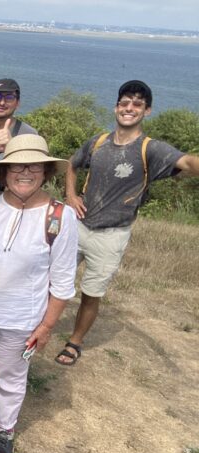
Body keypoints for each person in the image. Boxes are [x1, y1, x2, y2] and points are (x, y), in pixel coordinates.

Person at [0, 134, 78, 453]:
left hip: (19, 318)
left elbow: (63, 281)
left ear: (46, 171)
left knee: (8, 376)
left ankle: (5, 427)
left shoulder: (59, 217)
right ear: (4, 172)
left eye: (33, 165)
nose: (25, 172)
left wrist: (48, 325)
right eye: (16, 166)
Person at [57, 80, 199, 366]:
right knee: (51, 280)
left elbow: (188, 164)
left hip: (111, 234)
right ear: (116, 107)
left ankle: (74, 342)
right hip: (78, 225)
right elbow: (71, 164)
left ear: (147, 111)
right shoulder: (98, 142)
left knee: (91, 292)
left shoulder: (152, 149)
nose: (129, 108)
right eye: (125, 102)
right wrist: (71, 195)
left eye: (137, 104)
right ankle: (37, 325)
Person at [0, 78, 37, 157]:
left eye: (9, 98)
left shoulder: (29, 134)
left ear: (17, 103)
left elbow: (34, 166)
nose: (2, 102)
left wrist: (11, 146)